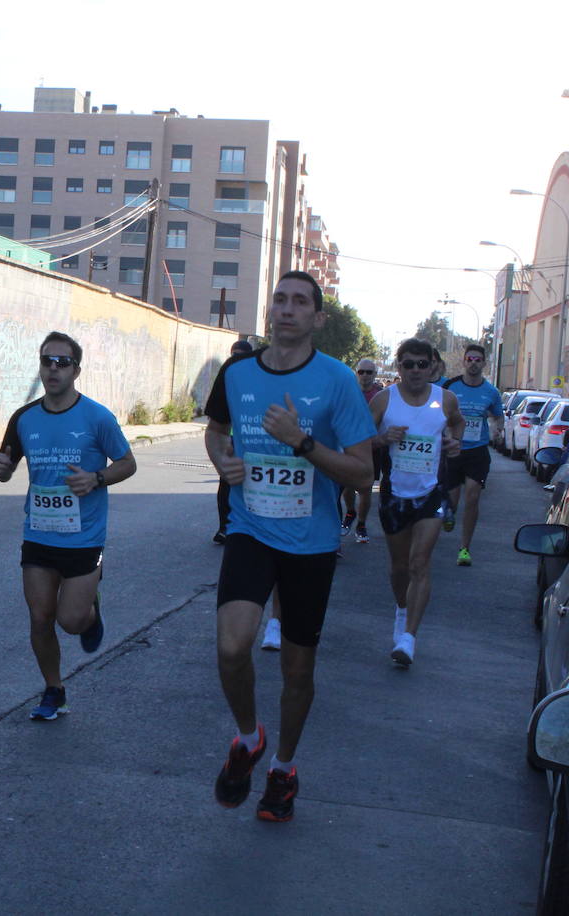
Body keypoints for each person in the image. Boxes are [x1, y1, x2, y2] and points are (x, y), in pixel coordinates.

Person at [205, 270, 374, 823]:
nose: (287, 309)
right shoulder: (237, 372)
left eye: (301, 302)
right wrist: (221, 460)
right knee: (233, 648)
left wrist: (300, 441)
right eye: (279, 299)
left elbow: (363, 474)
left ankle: (282, 768)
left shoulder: (337, 380)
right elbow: (216, 429)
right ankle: (250, 738)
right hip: (252, 529)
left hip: (312, 543)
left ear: (317, 318)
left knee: (298, 671)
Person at [0, 331, 136, 721]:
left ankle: (89, 610)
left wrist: (97, 478)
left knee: (70, 621)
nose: (53, 369)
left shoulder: (97, 418)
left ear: (76, 370)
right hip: (38, 532)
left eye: (62, 362)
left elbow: (127, 463)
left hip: (84, 536)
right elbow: (6, 469)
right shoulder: (23, 418)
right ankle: (54, 690)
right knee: (40, 617)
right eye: (46, 361)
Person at [369, 338, 463, 667]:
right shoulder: (385, 400)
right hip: (395, 495)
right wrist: (383, 438)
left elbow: (457, 423)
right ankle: (401, 608)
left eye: (422, 364)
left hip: (430, 495)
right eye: (408, 364)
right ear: (399, 368)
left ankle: (408, 638)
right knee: (398, 568)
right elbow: (358, 438)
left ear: (432, 367)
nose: (415, 371)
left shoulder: (445, 399)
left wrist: (454, 444)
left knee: (419, 564)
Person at [443, 344, 504, 567]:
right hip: (453, 448)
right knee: (453, 500)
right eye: (470, 358)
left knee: (473, 496)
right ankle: (449, 513)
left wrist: (498, 428)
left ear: (484, 363)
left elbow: (499, 416)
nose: (473, 363)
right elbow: (437, 411)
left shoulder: (491, 392)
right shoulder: (451, 387)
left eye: (478, 359)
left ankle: (465, 548)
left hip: (478, 451)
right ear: (464, 362)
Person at [214, 338, 255, 545]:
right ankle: (224, 527)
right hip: (231, 440)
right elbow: (215, 422)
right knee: (226, 484)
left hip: (252, 443)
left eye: (239, 355)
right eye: (233, 354)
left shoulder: (256, 378)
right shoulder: (228, 376)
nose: (235, 359)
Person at [341, 357, 383, 544]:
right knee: (348, 486)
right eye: (361, 372)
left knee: (365, 488)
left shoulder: (381, 395)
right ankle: (350, 511)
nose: (365, 376)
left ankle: (362, 524)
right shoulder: (348, 393)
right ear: (356, 373)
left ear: (375, 374)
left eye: (369, 372)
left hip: (372, 448)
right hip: (349, 446)